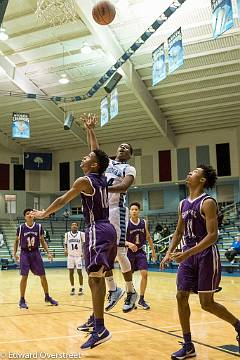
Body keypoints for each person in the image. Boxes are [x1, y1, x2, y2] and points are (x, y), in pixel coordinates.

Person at [31, 149, 117, 350]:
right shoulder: (102, 178)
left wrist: (44, 213)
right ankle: (96, 320)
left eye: (88, 157)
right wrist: (90, 131)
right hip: (109, 229)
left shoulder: (84, 181)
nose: (83, 158)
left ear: (94, 165)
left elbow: (62, 200)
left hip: (97, 228)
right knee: (97, 276)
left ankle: (100, 328)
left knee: (95, 278)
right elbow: (101, 156)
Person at [160, 165, 240, 360]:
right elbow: (178, 232)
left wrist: (187, 253)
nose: (189, 173)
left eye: (195, 171)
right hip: (188, 254)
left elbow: (213, 236)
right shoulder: (182, 204)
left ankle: (238, 326)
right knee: (181, 296)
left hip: (205, 255)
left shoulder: (208, 202)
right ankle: (188, 345)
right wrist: (168, 253)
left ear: (202, 180)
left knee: (207, 304)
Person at [81, 113, 138, 313]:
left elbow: (123, 186)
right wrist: (90, 129)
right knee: (103, 253)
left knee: (120, 251)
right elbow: (94, 149)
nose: (122, 148)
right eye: (120, 146)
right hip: (103, 210)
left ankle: (131, 291)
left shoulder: (128, 167)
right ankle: (113, 289)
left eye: (126, 148)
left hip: (117, 210)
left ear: (130, 154)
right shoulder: (108, 164)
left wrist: (103, 188)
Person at [13, 208, 58, 309]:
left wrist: (48, 253)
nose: (30, 215)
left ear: (34, 216)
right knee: (24, 276)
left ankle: (47, 296)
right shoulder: (20, 228)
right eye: (27, 214)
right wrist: (14, 253)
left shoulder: (39, 227)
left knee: (43, 275)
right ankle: (22, 299)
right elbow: (16, 241)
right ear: (25, 217)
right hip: (24, 253)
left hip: (35, 252)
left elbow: (42, 240)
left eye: (31, 213)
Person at [126, 202, 157, 310]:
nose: (134, 211)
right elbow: (120, 240)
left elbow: (148, 237)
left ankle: (141, 299)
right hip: (129, 253)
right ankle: (130, 298)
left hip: (140, 252)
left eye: (136, 209)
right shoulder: (126, 224)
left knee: (145, 274)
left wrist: (153, 251)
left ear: (139, 211)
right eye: (132, 209)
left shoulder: (144, 222)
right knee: (128, 277)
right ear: (129, 211)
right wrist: (128, 244)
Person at [64, 222, 85, 295]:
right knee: (71, 272)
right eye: (73, 225)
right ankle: (72, 287)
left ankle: (81, 287)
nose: (74, 226)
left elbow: (84, 243)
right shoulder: (67, 234)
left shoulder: (81, 234)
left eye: (75, 225)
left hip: (78, 256)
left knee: (79, 272)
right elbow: (65, 243)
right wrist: (65, 250)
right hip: (70, 256)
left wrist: (84, 252)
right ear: (71, 227)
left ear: (77, 227)